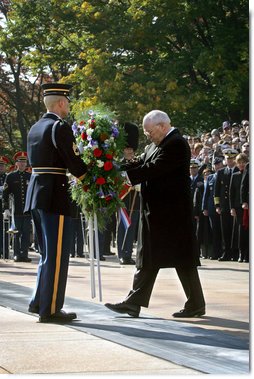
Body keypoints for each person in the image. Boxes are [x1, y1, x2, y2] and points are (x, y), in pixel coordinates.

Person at [105, 110, 206, 318]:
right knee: (149, 257)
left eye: (150, 131)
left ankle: (194, 303)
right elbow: (139, 162)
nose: (148, 135)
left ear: (162, 126)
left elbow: (153, 168)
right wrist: (111, 167)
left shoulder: (176, 144)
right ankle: (135, 302)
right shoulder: (156, 144)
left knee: (181, 260)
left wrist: (124, 175)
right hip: (158, 213)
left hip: (173, 214)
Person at [24, 82, 88, 323]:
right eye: (67, 102)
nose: (68, 105)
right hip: (54, 194)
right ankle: (50, 309)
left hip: (37, 193)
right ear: (61, 103)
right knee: (57, 255)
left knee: (45, 254)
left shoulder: (35, 127)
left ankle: (39, 301)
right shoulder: (59, 127)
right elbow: (72, 161)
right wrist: (91, 178)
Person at [117, 121, 140, 265]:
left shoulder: (138, 163)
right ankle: (121, 253)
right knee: (123, 226)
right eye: (127, 149)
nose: (130, 151)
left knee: (132, 228)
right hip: (123, 199)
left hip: (136, 199)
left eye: (132, 149)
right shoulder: (118, 164)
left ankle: (128, 253)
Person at [2, 152, 32, 262]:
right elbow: (5, 194)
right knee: (16, 233)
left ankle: (24, 254)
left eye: (25, 162)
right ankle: (16, 254)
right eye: (21, 162)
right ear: (16, 163)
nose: (23, 164)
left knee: (26, 233)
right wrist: (5, 208)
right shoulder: (11, 177)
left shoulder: (30, 176)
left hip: (27, 210)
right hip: (16, 210)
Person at [214, 148, 239, 261]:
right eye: (227, 158)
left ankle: (236, 253)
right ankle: (226, 252)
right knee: (225, 230)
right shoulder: (221, 172)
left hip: (235, 205)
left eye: (232, 158)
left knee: (235, 230)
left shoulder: (239, 170)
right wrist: (217, 206)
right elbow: (217, 190)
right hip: (224, 206)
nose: (229, 160)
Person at [202, 157, 224, 260]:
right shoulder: (210, 177)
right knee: (214, 232)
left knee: (224, 231)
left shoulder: (225, 174)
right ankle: (216, 253)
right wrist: (204, 207)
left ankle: (225, 252)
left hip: (223, 207)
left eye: (219, 164)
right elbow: (206, 194)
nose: (217, 166)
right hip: (211, 208)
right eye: (215, 165)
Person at [229, 153, 249, 263]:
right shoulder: (235, 175)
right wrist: (232, 208)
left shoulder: (250, 173)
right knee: (241, 230)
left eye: (243, 162)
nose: (241, 164)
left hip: (248, 205)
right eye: (239, 162)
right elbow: (232, 193)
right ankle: (241, 253)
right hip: (238, 206)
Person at [0, 155, 10, 259]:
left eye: (2, 166)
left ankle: (5, 252)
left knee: (5, 231)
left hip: (4, 207)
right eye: (0, 166)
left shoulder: (8, 177)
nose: (1, 167)